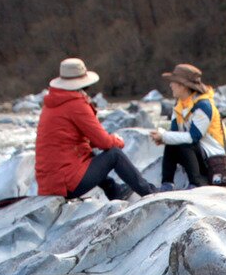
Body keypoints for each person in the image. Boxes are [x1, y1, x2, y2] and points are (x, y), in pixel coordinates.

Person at [35, 57, 155, 201]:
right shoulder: (76, 104)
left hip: (49, 185)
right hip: (65, 184)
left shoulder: (51, 104)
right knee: (114, 155)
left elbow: (83, 140)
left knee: (89, 153)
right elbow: (104, 142)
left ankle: (114, 189)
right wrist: (118, 141)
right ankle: (150, 193)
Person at [147, 63, 226, 191]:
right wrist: (163, 138)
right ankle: (167, 183)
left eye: (173, 82)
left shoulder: (203, 106)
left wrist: (165, 136)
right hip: (200, 155)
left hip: (214, 159)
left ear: (183, 86)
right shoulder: (180, 105)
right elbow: (174, 132)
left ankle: (196, 182)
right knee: (172, 144)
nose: (170, 85)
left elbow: (194, 136)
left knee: (186, 143)